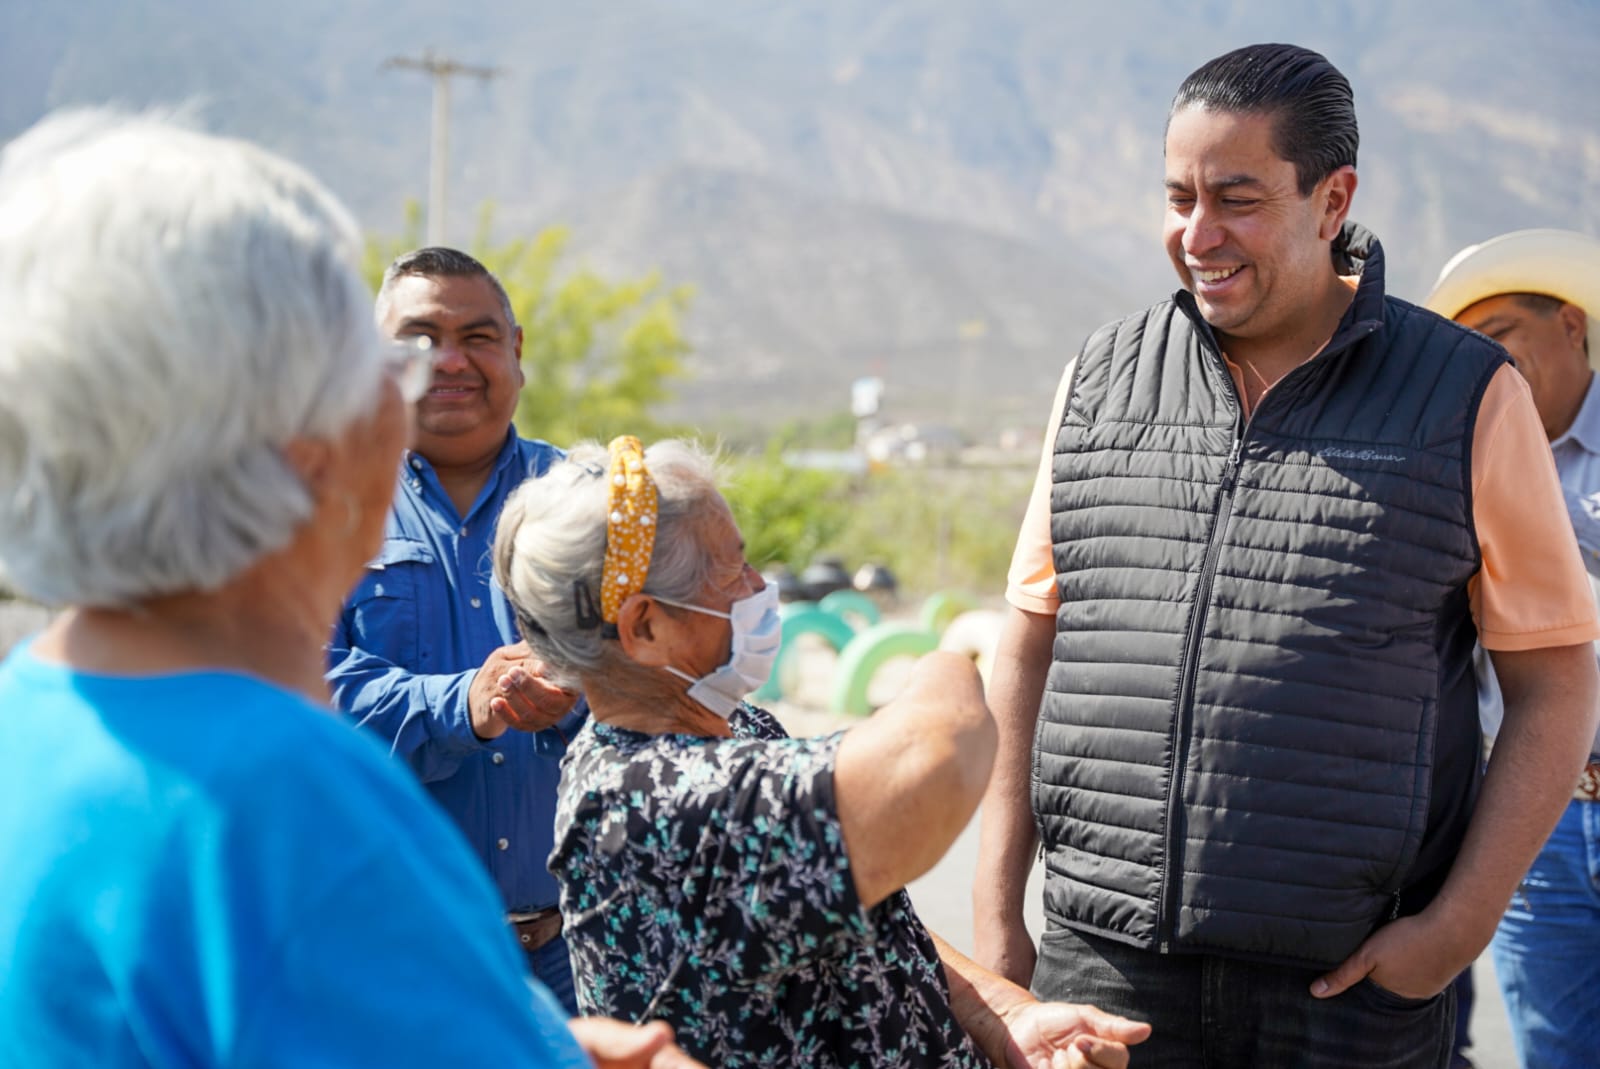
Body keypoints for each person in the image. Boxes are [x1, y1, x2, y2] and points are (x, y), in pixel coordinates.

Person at [0, 110, 701, 1068]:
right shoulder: (285, 805)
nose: (422, 379)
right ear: (298, 436)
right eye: (380, 359)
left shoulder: (34, 709)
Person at [971, 43, 1600, 1067]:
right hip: (1103, 981)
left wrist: (1452, 932)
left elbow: (1555, 681)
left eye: (1236, 198)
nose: (1197, 234)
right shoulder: (1098, 379)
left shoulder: (1467, 394)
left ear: (1331, 197)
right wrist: (998, 920)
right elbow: (1029, 648)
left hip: (1347, 991)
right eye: (1177, 198)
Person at [491, 436, 1153, 1069]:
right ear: (646, 626)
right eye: (732, 571)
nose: (759, 587)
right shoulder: (646, 801)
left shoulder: (736, 725)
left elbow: (857, 911)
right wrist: (950, 666)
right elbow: (938, 760)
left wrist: (1002, 1012)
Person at [327, 246, 584, 1011]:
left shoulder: (588, 502)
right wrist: (462, 702)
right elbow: (291, 684)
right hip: (396, 959)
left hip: (584, 955)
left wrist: (587, 687)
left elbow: (667, 666)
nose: (450, 361)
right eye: (418, 338)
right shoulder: (320, 508)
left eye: (477, 336)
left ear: (516, 352)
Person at [1425, 228, 1600, 1069]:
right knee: (1557, 1051)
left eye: (1501, 342)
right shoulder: (1465, 462)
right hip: (1539, 816)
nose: (1489, 370)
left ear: (1570, 325)